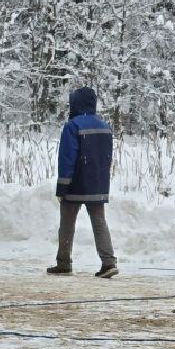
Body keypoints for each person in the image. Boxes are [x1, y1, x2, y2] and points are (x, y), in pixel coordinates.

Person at [47, 85, 118, 278]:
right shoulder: (104, 126)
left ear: (75, 104)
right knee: (99, 221)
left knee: (67, 223)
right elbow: (106, 157)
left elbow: (67, 158)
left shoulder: (73, 126)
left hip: (76, 183)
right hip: (97, 183)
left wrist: (62, 186)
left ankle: (63, 262)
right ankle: (108, 262)